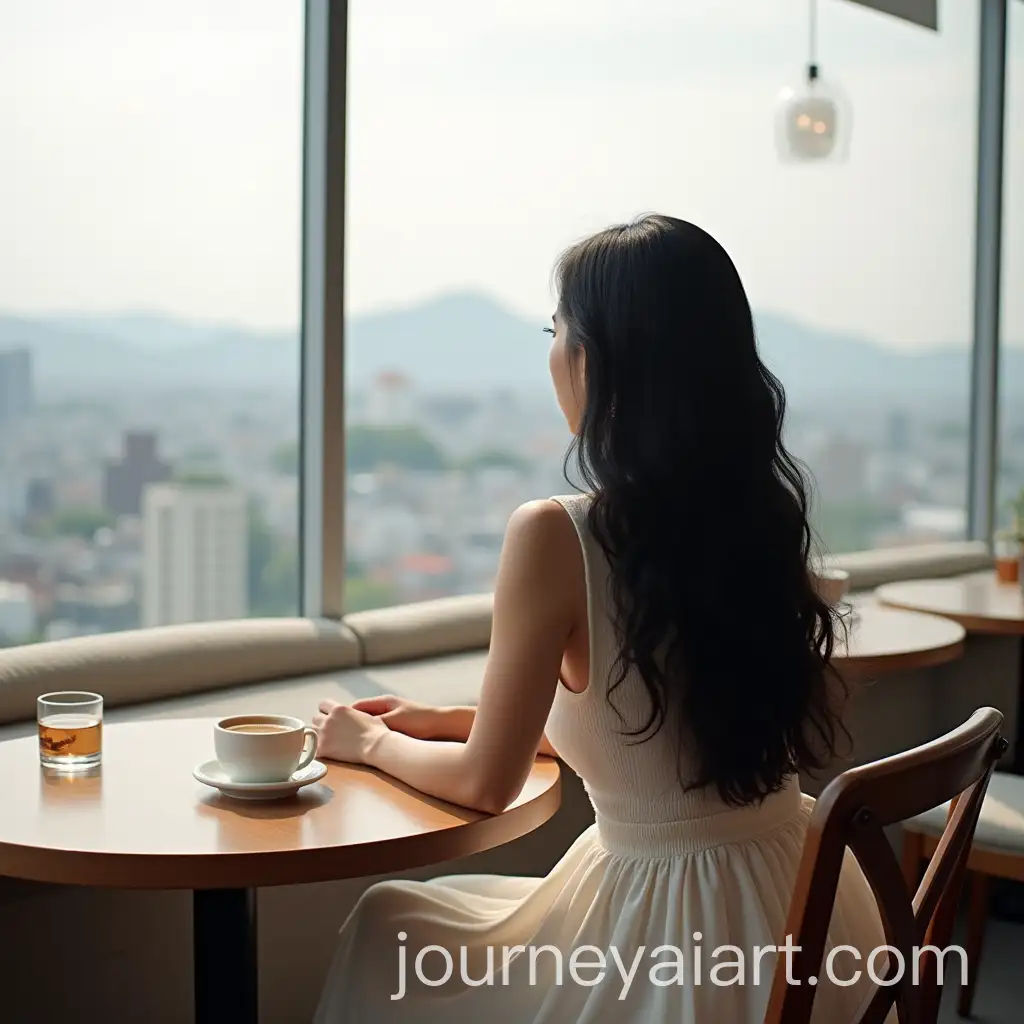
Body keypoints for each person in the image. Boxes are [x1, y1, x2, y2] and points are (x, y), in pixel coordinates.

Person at [311, 214, 886, 1023]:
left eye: (556, 331)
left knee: (389, 924)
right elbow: (651, 732)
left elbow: (485, 786)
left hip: (668, 929)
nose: (553, 354)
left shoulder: (561, 534)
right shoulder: (756, 518)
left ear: (596, 359)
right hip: (799, 900)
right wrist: (447, 721)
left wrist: (367, 742)